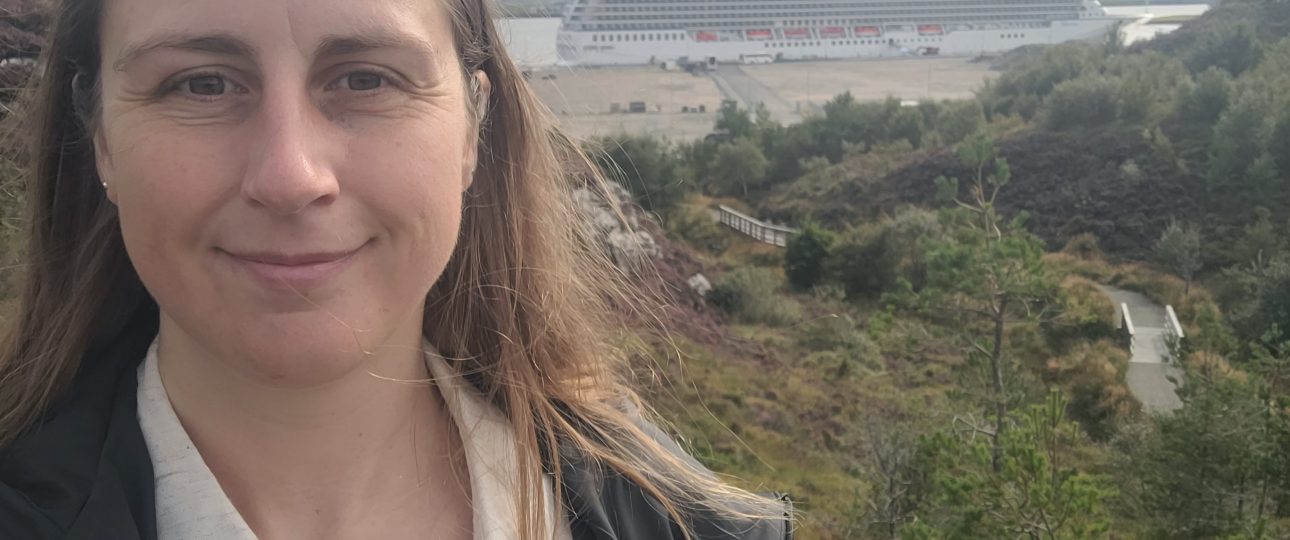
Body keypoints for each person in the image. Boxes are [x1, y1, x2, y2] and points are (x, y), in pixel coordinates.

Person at [0, 0, 794, 538]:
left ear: (472, 130)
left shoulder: (687, 522)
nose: (290, 174)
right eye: (201, 83)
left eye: (366, 78)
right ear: (100, 137)